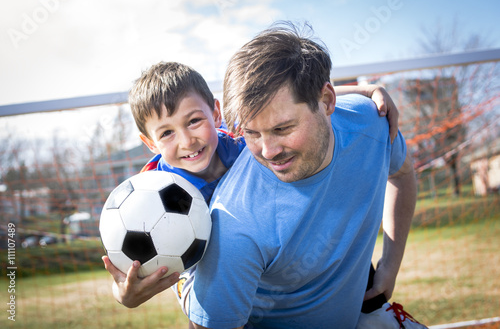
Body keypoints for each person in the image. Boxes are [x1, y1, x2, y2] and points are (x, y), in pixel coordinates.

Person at [101, 60, 412, 323]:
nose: (187, 141)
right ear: (150, 144)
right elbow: (128, 271)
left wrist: (366, 91)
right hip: (203, 277)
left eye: (194, 121)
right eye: (167, 133)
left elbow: (288, 102)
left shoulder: (240, 139)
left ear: (216, 113)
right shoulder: (147, 195)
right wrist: (124, 296)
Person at [183, 22, 418, 329]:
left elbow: (401, 174)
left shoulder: (370, 123)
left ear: (328, 101)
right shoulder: (235, 224)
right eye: (251, 133)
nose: (267, 151)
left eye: (282, 129)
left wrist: (390, 265)